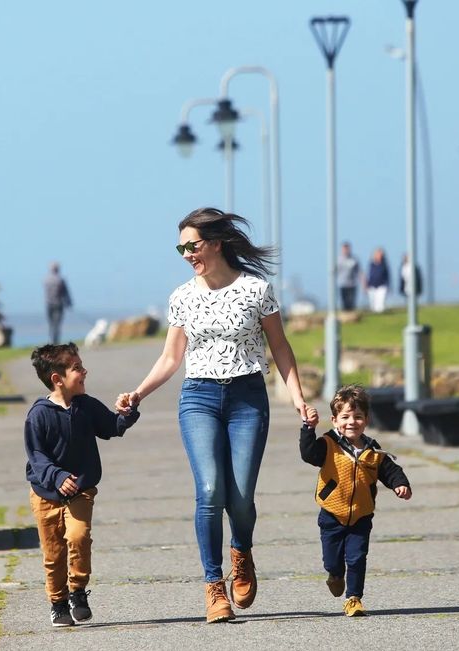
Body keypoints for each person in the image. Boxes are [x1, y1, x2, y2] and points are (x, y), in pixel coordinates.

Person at [115, 207, 310, 624]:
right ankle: (213, 586)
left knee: (240, 498)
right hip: (199, 398)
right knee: (209, 490)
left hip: (247, 398)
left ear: (217, 244)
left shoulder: (257, 289)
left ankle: (241, 551)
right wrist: (138, 393)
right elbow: (171, 357)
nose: (187, 255)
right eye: (181, 249)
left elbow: (280, 347)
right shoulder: (182, 297)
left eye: (193, 246)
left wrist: (297, 397)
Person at [24, 343, 140, 627]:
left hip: (81, 491)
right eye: (77, 368)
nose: (84, 371)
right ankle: (58, 602)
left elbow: (111, 426)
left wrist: (128, 412)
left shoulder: (86, 406)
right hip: (45, 494)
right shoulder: (38, 414)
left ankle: (77, 591)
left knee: (78, 537)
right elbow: (36, 456)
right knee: (53, 554)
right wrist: (57, 476)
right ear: (57, 378)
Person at [301, 385, 411, 617]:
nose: (352, 422)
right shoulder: (328, 444)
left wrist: (400, 484)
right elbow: (309, 454)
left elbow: (390, 470)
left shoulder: (373, 450)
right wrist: (308, 428)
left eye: (358, 417)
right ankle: (335, 575)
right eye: (345, 417)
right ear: (334, 420)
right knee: (332, 561)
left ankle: (354, 599)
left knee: (357, 558)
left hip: (361, 516)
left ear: (366, 420)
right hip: (331, 515)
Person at [43, 262, 73, 344]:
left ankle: (52, 340)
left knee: (51, 323)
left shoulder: (46, 280)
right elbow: (66, 293)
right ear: (58, 269)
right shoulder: (60, 280)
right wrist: (69, 303)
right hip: (58, 305)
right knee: (57, 324)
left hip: (49, 304)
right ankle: (55, 341)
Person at [337, 242, 364, 312]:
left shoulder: (354, 259)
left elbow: (359, 271)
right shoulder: (338, 259)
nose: (346, 250)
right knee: (345, 302)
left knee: (351, 302)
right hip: (343, 284)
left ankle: (352, 313)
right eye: (344, 249)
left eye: (347, 249)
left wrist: (363, 282)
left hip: (352, 284)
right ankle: (345, 314)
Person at [366, 248, 390, 313]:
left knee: (380, 305)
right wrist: (367, 285)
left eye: (381, 255)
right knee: (373, 305)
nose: (379, 256)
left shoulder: (384, 265)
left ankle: (381, 313)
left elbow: (387, 276)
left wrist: (387, 285)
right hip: (372, 285)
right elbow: (369, 275)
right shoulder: (371, 264)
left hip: (382, 285)